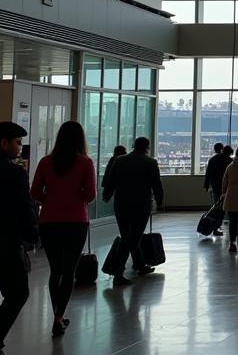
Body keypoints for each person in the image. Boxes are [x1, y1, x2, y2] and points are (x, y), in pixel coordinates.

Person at [30, 121, 96, 336]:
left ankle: (56, 314)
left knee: (55, 270)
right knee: (69, 271)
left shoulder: (46, 162)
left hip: (49, 221)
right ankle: (59, 317)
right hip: (76, 221)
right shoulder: (85, 163)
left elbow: (35, 192)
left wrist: (51, 198)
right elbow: (90, 195)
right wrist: (74, 197)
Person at [102, 137, 164, 285]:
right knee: (133, 237)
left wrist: (106, 195)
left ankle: (140, 265)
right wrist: (160, 202)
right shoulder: (151, 162)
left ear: (133, 146)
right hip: (141, 205)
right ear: (147, 147)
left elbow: (111, 181)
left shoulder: (120, 160)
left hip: (121, 204)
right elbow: (157, 185)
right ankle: (118, 272)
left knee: (127, 235)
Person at [0, 122, 36, 355]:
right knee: (17, 292)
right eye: (17, 142)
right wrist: (32, 235)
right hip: (5, 243)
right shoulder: (14, 173)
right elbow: (25, 208)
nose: (20, 148)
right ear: (3, 143)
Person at [202, 142, 231, 236]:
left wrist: (206, 185)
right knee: (223, 209)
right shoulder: (229, 160)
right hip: (226, 188)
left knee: (216, 208)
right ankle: (217, 227)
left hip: (215, 187)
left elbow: (208, 173)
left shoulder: (212, 159)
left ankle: (215, 227)